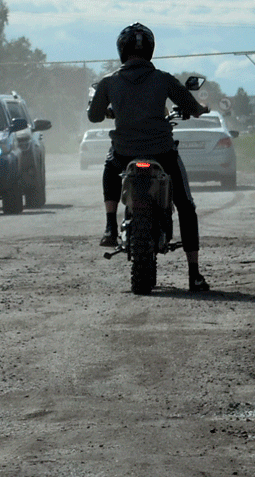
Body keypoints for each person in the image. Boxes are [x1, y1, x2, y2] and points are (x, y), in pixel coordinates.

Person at [87, 22, 210, 293]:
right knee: (187, 207)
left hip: (124, 154)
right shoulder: (164, 79)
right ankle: (194, 274)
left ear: (121, 50)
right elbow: (193, 107)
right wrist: (201, 107)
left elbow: (93, 115)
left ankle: (109, 226)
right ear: (151, 50)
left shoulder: (109, 82)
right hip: (161, 154)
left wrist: (110, 110)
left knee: (109, 167)